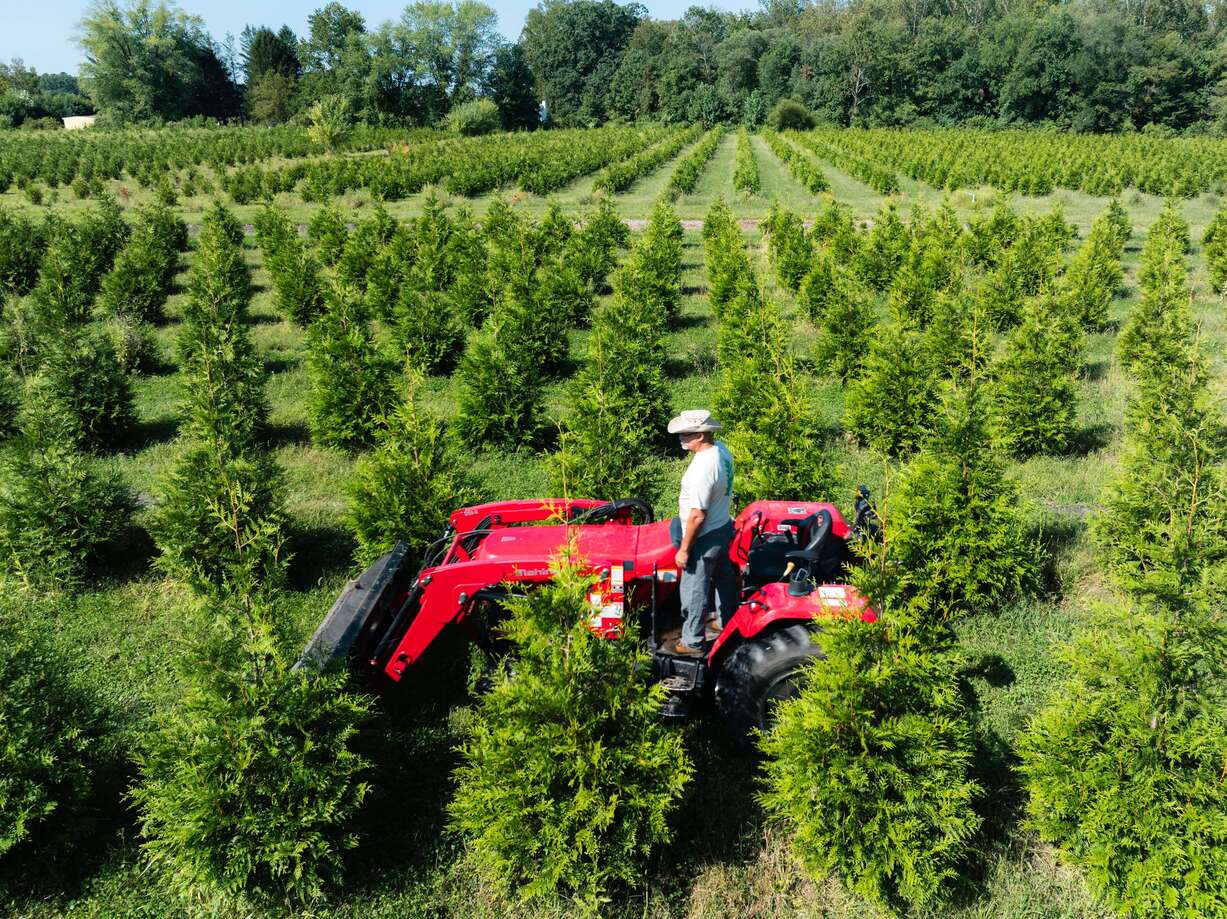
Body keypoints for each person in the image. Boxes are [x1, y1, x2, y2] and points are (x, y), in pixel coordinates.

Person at [666, 409, 737, 656]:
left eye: (686, 434)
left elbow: (697, 515)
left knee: (694, 589)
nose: (681, 438)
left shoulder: (701, 471)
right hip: (722, 528)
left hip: (703, 537)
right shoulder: (722, 451)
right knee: (724, 579)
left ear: (702, 435)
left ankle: (692, 641)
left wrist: (685, 549)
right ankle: (725, 622)